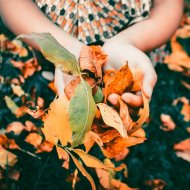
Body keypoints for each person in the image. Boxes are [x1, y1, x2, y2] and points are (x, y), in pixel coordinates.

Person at [0, 0, 184, 107]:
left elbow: (168, 4)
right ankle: (50, 74)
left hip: (136, 39)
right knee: (59, 71)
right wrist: (63, 50)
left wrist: (131, 42)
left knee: (129, 87)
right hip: (54, 34)